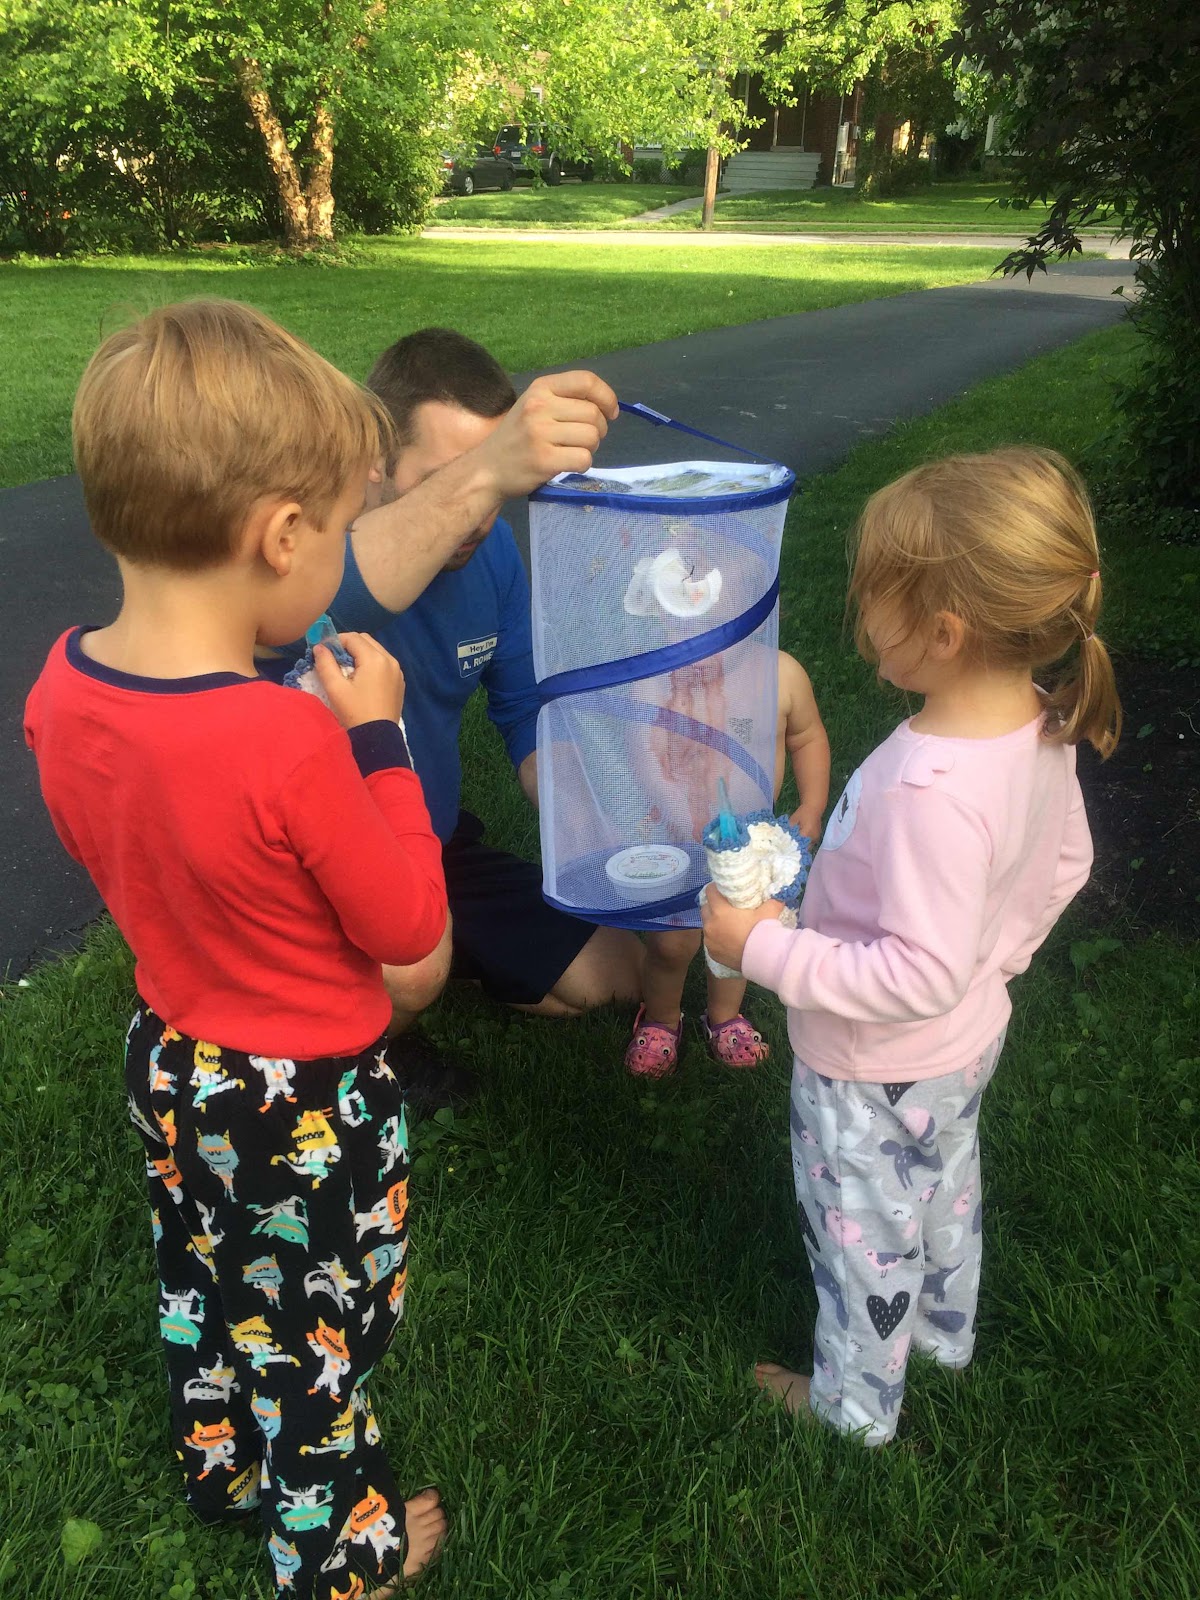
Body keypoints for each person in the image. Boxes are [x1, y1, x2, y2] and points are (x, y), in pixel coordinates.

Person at [22, 299, 614, 1597]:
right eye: (343, 529)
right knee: (318, 1327)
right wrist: (379, 741)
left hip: (172, 1056)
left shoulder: (61, 688)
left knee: (203, 1272)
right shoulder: (290, 736)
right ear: (283, 537)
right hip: (303, 1096)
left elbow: (117, 854)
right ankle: (340, 1550)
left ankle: (220, 1460)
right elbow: (408, 926)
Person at [701, 447, 1120, 1445]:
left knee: (864, 1237)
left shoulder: (929, 787)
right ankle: (941, 1335)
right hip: (962, 1046)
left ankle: (853, 1406)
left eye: (873, 595)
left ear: (943, 631)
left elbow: (916, 973)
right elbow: (1069, 861)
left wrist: (761, 948)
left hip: (870, 1069)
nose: (859, 610)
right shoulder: (1037, 725)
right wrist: (997, 960)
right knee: (941, 1191)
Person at [324, 329, 643, 1098]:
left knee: (615, 973)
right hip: (319, 865)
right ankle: (367, 1050)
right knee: (409, 972)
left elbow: (525, 707)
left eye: (496, 483)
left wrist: (586, 821)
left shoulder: (492, 554)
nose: (475, 515)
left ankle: (430, 950)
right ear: (376, 456)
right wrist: (488, 470)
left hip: (426, 841)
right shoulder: (317, 552)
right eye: (453, 479)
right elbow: (338, 595)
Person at [625, 648, 830, 1075]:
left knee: (740, 935)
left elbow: (806, 736)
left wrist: (812, 805)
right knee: (670, 943)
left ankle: (723, 1016)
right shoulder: (654, 676)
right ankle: (661, 1018)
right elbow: (640, 751)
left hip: (745, 844)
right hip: (674, 837)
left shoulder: (778, 674)